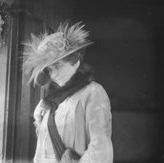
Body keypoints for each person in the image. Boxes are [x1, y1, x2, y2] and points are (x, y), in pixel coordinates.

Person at [23, 22, 113, 163]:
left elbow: (100, 149)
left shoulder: (93, 93)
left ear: (75, 61)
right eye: (50, 70)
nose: (54, 74)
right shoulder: (48, 104)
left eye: (58, 65)